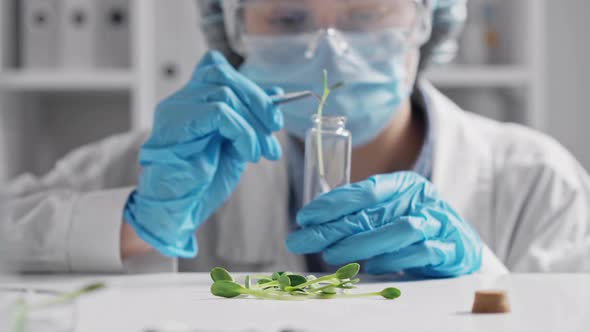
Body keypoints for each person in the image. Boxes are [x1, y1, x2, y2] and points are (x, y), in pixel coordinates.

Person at [1, 0, 589, 276]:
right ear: (233, 29)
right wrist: (135, 222)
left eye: (366, 16)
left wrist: (484, 283)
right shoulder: (164, 163)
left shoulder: (537, 180)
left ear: (426, 20)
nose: (329, 48)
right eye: (286, 20)